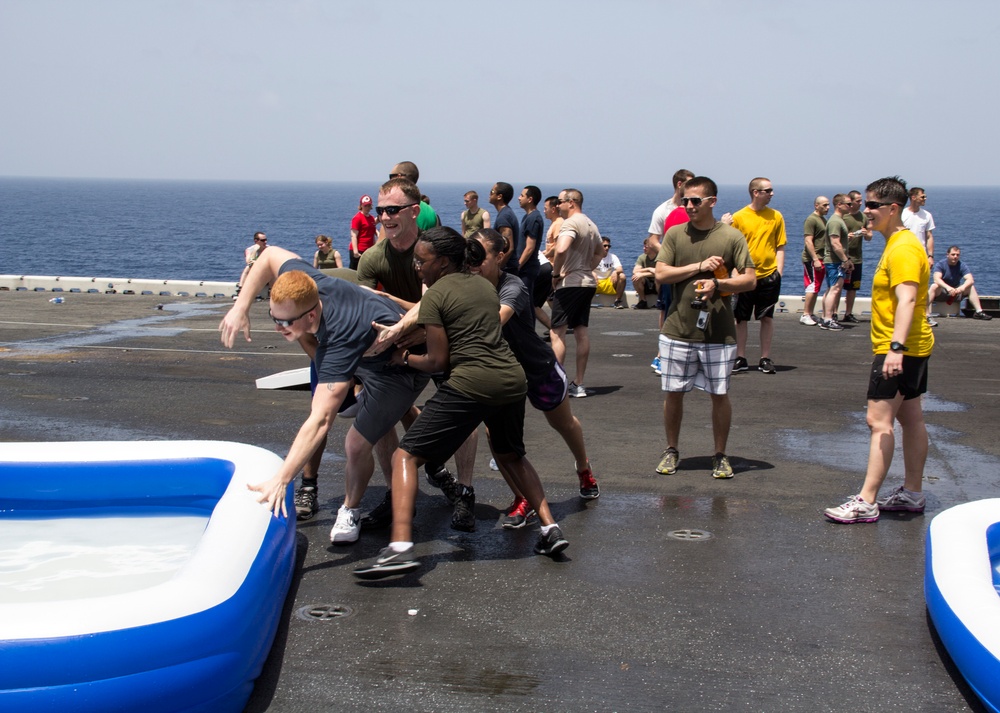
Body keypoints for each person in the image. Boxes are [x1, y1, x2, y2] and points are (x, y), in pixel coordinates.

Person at [353, 227, 569, 579]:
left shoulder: (437, 295)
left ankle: (400, 548)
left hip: (473, 382)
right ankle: (550, 529)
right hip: (511, 380)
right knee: (512, 454)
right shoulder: (484, 286)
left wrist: (403, 359)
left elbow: (438, 362)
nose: (416, 268)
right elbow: (464, 328)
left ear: (442, 261)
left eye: (421, 261)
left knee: (404, 456)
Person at [218, 244, 429, 547]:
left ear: (313, 312)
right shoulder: (303, 280)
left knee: (355, 443)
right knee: (374, 429)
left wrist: (282, 479)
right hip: (367, 354)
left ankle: (351, 509)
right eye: (274, 318)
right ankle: (400, 490)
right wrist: (241, 307)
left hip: (401, 369)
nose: (279, 328)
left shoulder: (339, 339)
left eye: (287, 322)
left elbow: (320, 421)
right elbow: (267, 255)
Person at [358, 177, 479, 531]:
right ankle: (398, 491)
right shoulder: (372, 258)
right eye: (380, 211)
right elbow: (364, 308)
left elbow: (435, 304)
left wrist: (400, 317)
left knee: (464, 415)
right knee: (380, 414)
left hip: (442, 338)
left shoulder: (435, 251)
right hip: (397, 344)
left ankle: (465, 491)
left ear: (414, 212)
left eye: (392, 210)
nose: (384, 217)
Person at [824, 176, 935, 524]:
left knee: (879, 421)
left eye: (872, 205)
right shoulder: (902, 243)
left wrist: (895, 349)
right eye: (864, 204)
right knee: (911, 417)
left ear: (893, 208)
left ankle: (866, 501)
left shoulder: (902, 248)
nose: (865, 210)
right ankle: (913, 493)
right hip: (915, 346)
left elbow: (908, 298)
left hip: (900, 347)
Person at [472, 228, 600, 522]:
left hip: (536, 367)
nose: (474, 261)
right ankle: (522, 497)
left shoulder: (512, 285)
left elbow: (498, 318)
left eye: (481, 255)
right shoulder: (467, 284)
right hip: (501, 372)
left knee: (563, 423)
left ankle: (584, 468)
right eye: (470, 254)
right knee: (496, 435)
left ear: (499, 256)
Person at [653, 176, 756, 479]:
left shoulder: (731, 237)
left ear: (712, 202)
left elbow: (749, 280)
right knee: (673, 392)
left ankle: (720, 454)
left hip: (719, 333)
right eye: (685, 200)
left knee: (719, 394)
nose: (688, 205)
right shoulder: (674, 234)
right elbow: (661, 274)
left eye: (695, 200)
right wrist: (698, 267)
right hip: (677, 330)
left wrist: (718, 283)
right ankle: (671, 450)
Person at [550, 188, 605, 398]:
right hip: (587, 283)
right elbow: (601, 251)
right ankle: (578, 384)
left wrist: (556, 274)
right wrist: (587, 267)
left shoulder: (570, 223)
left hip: (570, 283)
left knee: (557, 333)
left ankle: (557, 383)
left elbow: (561, 249)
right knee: (581, 332)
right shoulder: (591, 224)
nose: (557, 206)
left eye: (560, 202)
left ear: (571, 202)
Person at [730, 177, 786, 374]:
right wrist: (735, 274)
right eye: (767, 190)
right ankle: (740, 357)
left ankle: (765, 357)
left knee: (766, 317)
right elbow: (732, 248)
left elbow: (780, 246)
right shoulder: (739, 217)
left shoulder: (776, 216)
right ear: (756, 192)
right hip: (745, 275)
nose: (772, 194)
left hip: (769, 275)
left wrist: (778, 272)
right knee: (741, 318)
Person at [929, 246, 993, 320]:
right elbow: (936, 279)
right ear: (947, 255)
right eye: (953, 254)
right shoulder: (941, 264)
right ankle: (924, 312)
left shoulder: (961, 265)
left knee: (970, 287)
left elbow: (970, 279)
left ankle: (979, 312)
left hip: (956, 292)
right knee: (934, 286)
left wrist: (961, 288)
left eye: (957, 255)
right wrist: (948, 288)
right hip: (942, 292)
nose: (955, 257)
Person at [819, 194, 854, 331]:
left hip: (834, 260)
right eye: (848, 204)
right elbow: (835, 243)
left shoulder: (838, 221)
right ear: (839, 204)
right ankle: (828, 319)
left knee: (831, 289)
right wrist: (845, 259)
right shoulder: (835, 222)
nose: (850, 206)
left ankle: (825, 317)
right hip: (835, 261)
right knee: (835, 289)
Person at [841, 190, 872, 323]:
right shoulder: (843, 217)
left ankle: (848, 313)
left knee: (853, 287)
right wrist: (846, 237)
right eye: (858, 201)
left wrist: (866, 233)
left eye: (861, 201)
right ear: (851, 202)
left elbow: (870, 237)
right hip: (842, 257)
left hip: (857, 258)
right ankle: (832, 314)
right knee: (837, 286)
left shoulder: (863, 217)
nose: (861, 203)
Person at [533, 196, 563, 330]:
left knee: (538, 302)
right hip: (551, 265)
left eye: (546, 209)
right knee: (551, 299)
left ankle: (557, 326)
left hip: (553, 266)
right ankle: (557, 326)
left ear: (553, 208)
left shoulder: (558, 224)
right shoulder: (554, 224)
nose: (544, 211)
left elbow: (558, 246)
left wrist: (545, 254)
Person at [800, 196, 828, 326]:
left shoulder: (822, 219)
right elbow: (808, 240)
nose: (827, 208)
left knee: (816, 286)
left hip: (821, 258)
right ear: (816, 205)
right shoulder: (811, 220)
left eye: (828, 205)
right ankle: (805, 314)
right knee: (812, 286)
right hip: (812, 259)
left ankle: (810, 313)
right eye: (824, 205)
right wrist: (815, 259)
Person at [389, 161, 439, 231]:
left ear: (399, 177)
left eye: (391, 177)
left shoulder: (393, 209)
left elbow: (384, 239)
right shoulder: (431, 212)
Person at [516, 185, 544, 303]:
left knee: (525, 303)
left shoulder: (534, 218)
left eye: (522, 195)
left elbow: (530, 247)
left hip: (527, 269)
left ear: (530, 199)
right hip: (525, 268)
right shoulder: (527, 217)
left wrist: (518, 265)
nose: (519, 198)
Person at [489, 182, 522, 274]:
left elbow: (509, 248)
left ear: (499, 196)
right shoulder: (506, 213)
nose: (489, 194)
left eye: (492, 191)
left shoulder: (504, 216)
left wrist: (496, 270)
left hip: (507, 269)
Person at [901, 186, 935, 265]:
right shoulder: (902, 214)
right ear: (913, 198)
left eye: (925, 197)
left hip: (921, 256)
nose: (925, 199)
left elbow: (929, 236)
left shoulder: (927, 215)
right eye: (922, 197)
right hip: (904, 255)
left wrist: (930, 256)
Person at [594, 236, 627, 309]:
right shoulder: (593, 256)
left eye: (609, 246)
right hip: (595, 283)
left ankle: (617, 301)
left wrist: (615, 272)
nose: (607, 248)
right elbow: (585, 268)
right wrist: (592, 273)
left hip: (608, 282)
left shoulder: (613, 257)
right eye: (604, 246)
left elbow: (620, 269)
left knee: (622, 276)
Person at [349, 195, 377, 270]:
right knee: (355, 273)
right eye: (365, 206)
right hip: (359, 250)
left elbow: (372, 233)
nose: (367, 208)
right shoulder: (357, 218)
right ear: (361, 205)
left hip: (368, 250)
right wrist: (355, 251)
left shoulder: (371, 218)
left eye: (369, 205)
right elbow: (353, 236)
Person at [236, 232, 267, 298]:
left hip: (266, 274)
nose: (265, 242)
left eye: (266, 240)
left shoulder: (268, 249)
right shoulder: (250, 250)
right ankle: (240, 289)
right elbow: (248, 261)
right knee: (248, 267)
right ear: (256, 241)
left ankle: (271, 291)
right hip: (255, 274)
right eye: (263, 240)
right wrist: (255, 250)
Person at [632, 237, 659, 308]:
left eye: (646, 247)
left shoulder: (660, 257)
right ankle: (643, 301)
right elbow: (635, 271)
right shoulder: (642, 257)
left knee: (659, 278)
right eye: (643, 246)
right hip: (646, 283)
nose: (644, 248)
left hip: (658, 284)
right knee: (636, 277)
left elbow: (659, 272)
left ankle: (660, 300)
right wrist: (649, 269)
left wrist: (643, 273)